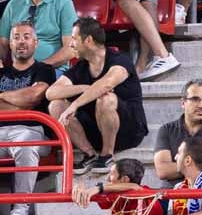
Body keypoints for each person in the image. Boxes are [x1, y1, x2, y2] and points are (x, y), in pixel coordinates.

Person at [46, 17, 147, 175]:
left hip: (129, 131)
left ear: (88, 40)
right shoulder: (81, 67)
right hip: (96, 131)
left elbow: (106, 84)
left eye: (74, 39)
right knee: (55, 105)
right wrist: (84, 88)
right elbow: (51, 92)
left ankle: (107, 155)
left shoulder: (120, 59)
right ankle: (90, 154)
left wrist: (74, 105)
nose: (70, 44)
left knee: (106, 99)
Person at [0, 20, 55, 215]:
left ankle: (21, 207)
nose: (21, 42)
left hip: (30, 129)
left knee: (26, 144)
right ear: (11, 44)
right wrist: (20, 105)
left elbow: (34, 97)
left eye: (26, 37)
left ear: (35, 43)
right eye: (16, 37)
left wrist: (1, 96)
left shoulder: (44, 70)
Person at [152, 79, 202, 187]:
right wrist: (197, 166)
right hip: (171, 194)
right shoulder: (166, 129)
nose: (201, 105)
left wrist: (179, 166)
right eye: (195, 99)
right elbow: (162, 170)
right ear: (183, 103)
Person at [71, 158, 166, 215]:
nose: (107, 178)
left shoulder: (146, 193)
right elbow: (95, 196)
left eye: (111, 174)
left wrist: (100, 187)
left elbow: (135, 187)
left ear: (125, 179)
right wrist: (80, 186)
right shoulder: (114, 193)